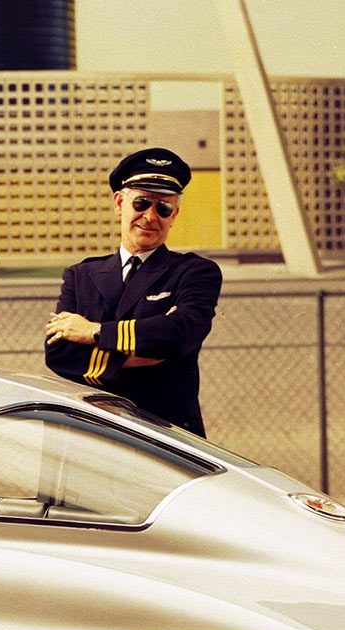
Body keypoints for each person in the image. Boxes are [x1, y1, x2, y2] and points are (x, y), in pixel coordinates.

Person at [43, 148, 222, 436]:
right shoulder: (81, 276)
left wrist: (95, 333)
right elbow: (59, 354)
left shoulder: (194, 272)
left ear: (174, 214)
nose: (150, 216)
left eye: (162, 207)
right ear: (119, 203)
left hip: (167, 433)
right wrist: (141, 351)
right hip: (94, 431)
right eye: (141, 203)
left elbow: (178, 335)